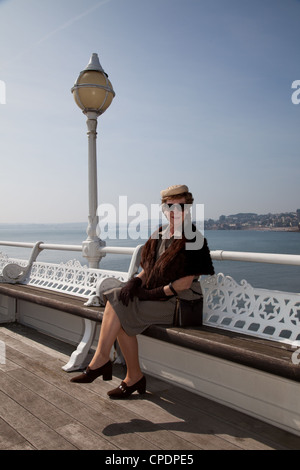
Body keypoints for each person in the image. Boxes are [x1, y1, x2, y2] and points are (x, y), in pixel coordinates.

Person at [70, 184, 214, 399]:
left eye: (181, 207)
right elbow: (148, 269)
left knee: (120, 309)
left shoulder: (193, 238)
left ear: (189, 209)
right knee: (120, 299)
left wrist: (149, 294)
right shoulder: (160, 234)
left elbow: (183, 284)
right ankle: (126, 372)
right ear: (164, 209)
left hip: (179, 304)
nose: (175, 212)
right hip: (159, 296)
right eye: (170, 206)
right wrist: (135, 283)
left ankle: (108, 365)